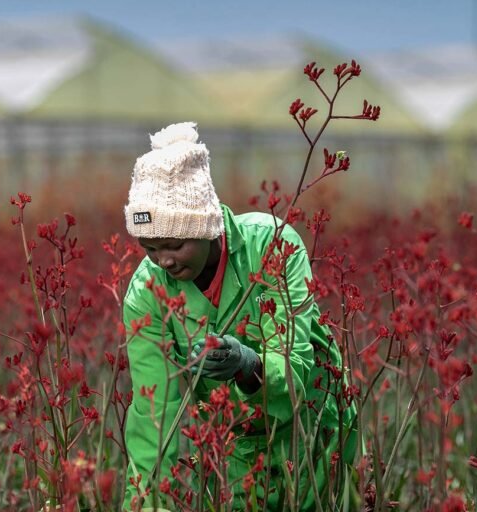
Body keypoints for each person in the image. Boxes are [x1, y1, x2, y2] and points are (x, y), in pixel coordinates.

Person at [121, 122, 355, 511]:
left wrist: (250, 366)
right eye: (149, 248)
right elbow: (152, 416)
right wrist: (145, 505)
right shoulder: (148, 294)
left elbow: (295, 365)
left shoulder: (272, 245)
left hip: (311, 431)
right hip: (234, 448)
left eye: (174, 245)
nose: (163, 260)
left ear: (207, 227)